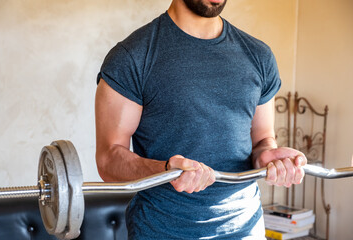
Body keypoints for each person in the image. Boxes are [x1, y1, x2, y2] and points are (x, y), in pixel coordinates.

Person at [95, 0, 306, 239]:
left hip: (246, 228)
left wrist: (267, 155)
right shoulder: (132, 57)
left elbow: (263, 140)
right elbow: (108, 158)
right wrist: (165, 170)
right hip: (162, 231)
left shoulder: (259, 56)